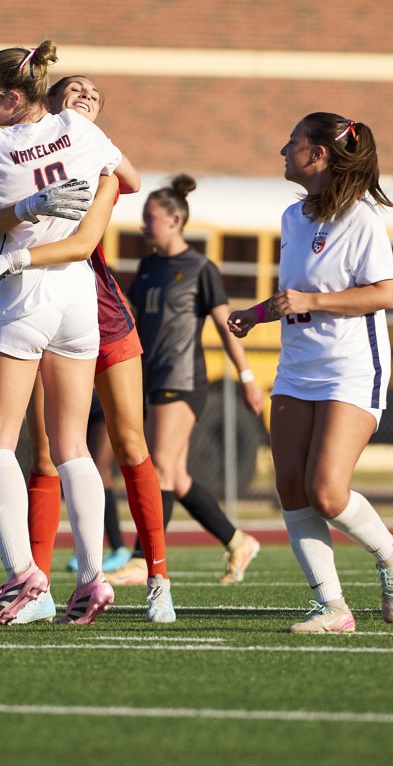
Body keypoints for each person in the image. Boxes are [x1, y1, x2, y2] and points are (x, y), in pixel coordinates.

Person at [0, 41, 125, 626]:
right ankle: (91, 579)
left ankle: (24, 577)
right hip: (78, 289)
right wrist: (87, 189)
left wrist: (28, 206)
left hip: (23, 287)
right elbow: (125, 175)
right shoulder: (80, 128)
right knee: (73, 446)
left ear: (11, 96)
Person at [228, 113, 393, 634]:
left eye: (293, 143)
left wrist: (310, 299)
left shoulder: (362, 219)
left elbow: (385, 293)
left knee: (327, 491)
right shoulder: (293, 218)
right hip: (297, 368)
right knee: (289, 486)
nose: (283, 151)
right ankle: (332, 607)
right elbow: (296, 297)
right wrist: (256, 313)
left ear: (320, 155)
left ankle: (391, 553)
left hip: (351, 370)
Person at [20, 74, 175, 623]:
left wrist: (86, 135)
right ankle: (35, 587)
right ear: (48, 104)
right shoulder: (18, 155)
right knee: (44, 453)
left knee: (130, 444)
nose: (85, 96)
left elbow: (123, 189)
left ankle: (157, 575)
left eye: (94, 95)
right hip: (37, 310)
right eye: (74, 90)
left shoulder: (99, 163)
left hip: (101, 313)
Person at [106, 174, 264, 588]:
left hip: (185, 380)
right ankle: (237, 540)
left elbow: (226, 327)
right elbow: (134, 320)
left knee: (160, 469)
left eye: (150, 218)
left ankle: (144, 559)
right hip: (152, 378)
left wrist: (247, 377)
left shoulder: (200, 269)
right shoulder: (148, 266)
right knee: (176, 476)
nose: (143, 226)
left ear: (175, 220)